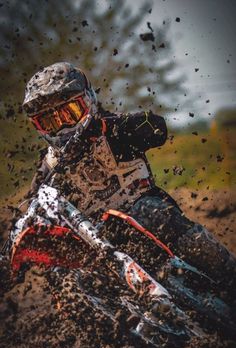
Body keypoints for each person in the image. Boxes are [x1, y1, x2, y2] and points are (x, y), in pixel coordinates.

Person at [2, 62, 236, 298]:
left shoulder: (112, 130)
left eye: (69, 113)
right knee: (62, 276)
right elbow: (27, 217)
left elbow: (157, 128)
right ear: (39, 127)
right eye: (50, 121)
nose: (62, 126)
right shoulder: (50, 168)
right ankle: (105, 331)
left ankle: (229, 275)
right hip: (100, 247)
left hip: (149, 219)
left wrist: (103, 127)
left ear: (88, 101)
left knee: (151, 210)